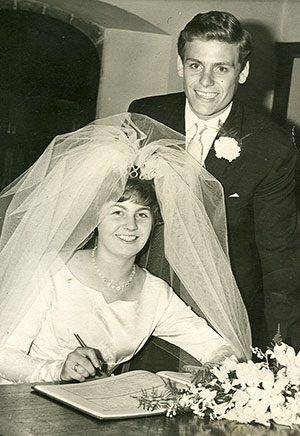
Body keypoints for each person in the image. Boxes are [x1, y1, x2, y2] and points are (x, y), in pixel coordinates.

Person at [0, 113, 251, 383]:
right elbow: (5, 355)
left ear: (154, 223)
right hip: (24, 403)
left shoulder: (155, 294)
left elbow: (219, 348)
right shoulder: (51, 271)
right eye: (117, 212)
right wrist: (57, 369)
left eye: (142, 214)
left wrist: (215, 368)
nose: (130, 225)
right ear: (95, 219)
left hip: (93, 411)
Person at [129, 11, 300, 351]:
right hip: (141, 309)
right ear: (181, 66)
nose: (205, 81)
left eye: (221, 68)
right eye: (195, 66)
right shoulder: (144, 116)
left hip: (221, 316)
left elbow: (279, 260)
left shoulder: (273, 146)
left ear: (243, 71)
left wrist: (284, 353)